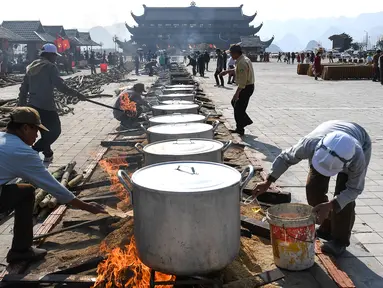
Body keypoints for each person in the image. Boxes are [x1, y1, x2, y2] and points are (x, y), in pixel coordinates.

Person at [0, 107, 106, 263]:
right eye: (36, 131)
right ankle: (21, 251)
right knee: (27, 192)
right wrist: (87, 207)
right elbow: (54, 188)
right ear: (25, 127)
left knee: (21, 189)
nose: (37, 136)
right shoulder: (22, 152)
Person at [253, 120, 371, 257]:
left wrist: (332, 204)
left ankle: (340, 240)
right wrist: (268, 181)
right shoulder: (310, 143)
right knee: (313, 188)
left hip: (360, 140)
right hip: (331, 138)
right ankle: (326, 226)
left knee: (344, 198)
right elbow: (286, 158)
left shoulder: (357, 157)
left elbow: (354, 189)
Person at [18, 44, 85, 162]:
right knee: (55, 131)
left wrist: (22, 105)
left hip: (32, 105)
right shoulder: (50, 67)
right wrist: (77, 94)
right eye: (54, 56)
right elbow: (61, 86)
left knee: (45, 131)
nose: (55, 58)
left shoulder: (31, 67)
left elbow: (24, 88)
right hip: (46, 106)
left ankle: (48, 153)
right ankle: (34, 150)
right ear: (50, 55)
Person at [220, 45, 254, 136]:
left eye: (231, 53)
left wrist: (237, 93)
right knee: (237, 106)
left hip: (246, 87)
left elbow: (243, 81)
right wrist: (227, 71)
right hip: (247, 86)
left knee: (238, 107)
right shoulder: (243, 59)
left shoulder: (242, 62)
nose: (230, 55)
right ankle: (245, 122)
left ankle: (240, 128)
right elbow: (237, 70)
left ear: (235, 53)